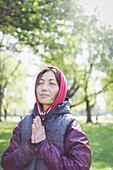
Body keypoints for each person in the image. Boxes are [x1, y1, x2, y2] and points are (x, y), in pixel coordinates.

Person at [1, 66, 91, 170]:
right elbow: (6, 164)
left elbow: (80, 167)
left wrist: (44, 145)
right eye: (40, 83)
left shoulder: (70, 125)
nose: (44, 87)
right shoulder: (24, 123)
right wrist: (31, 146)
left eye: (51, 83)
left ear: (60, 90)